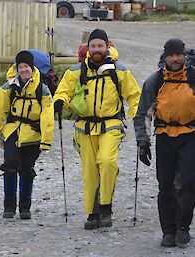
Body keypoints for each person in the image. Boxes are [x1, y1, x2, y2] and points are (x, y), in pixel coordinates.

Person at [53, 29, 141, 230]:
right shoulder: (76, 71)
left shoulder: (119, 70)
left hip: (111, 124)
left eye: (100, 46)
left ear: (107, 47)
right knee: (90, 170)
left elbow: (134, 95)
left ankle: (106, 208)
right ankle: (92, 213)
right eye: (93, 46)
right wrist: (59, 102)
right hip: (84, 127)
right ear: (88, 49)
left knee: (107, 162)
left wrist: (135, 113)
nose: (97, 50)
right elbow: (63, 91)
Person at [134, 38, 195, 248]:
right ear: (165, 56)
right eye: (172, 55)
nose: (176, 59)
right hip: (164, 136)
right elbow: (143, 114)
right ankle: (168, 231)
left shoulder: (193, 78)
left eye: (179, 55)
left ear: (184, 55)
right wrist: (143, 143)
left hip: (190, 134)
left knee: (187, 183)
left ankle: (183, 228)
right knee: (166, 183)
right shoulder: (156, 81)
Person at [0, 50, 54, 219]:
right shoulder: (8, 88)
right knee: (9, 167)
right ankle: (9, 206)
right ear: (16, 68)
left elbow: (47, 116)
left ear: (32, 68)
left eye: (26, 67)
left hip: (33, 135)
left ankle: (25, 207)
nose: (24, 70)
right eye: (21, 67)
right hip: (12, 132)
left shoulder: (42, 89)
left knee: (26, 169)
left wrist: (46, 141)